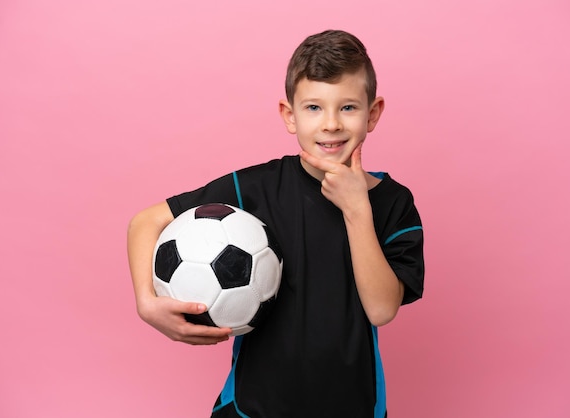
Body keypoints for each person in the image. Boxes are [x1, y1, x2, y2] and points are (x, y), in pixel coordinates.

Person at [127, 29, 424, 418]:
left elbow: (382, 310)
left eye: (348, 107)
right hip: (254, 406)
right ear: (289, 115)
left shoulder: (394, 202)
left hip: (352, 404)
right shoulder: (255, 187)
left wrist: (356, 209)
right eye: (314, 108)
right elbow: (145, 222)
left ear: (373, 114)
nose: (331, 124)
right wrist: (147, 304)